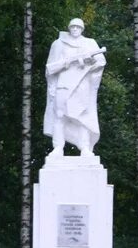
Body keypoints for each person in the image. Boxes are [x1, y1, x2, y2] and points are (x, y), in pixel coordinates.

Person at [44, 18, 106, 157]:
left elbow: (101, 62)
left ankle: (84, 148)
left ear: (82, 29)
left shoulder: (90, 44)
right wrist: (66, 63)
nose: (75, 29)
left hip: (81, 85)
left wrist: (90, 63)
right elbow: (50, 68)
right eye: (73, 27)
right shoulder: (58, 44)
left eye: (78, 27)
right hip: (63, 84)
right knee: (60, 116)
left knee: (81, 117)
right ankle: (58, 147)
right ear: (69, 28)